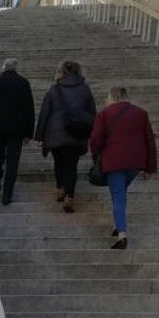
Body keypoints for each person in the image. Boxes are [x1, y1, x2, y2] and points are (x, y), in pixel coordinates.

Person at [90, 86, 158, 249]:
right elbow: (150, 141)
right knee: (119, 193)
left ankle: (121, 234)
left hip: (114, 161)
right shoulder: (141, 113)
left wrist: (97, 157)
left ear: (113, 97)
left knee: (118, 195)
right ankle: (117, 224)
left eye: (107, 97)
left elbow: (95, 140)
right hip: (136, 162)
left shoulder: (104, 114)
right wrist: (150, 167)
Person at [35, 60, 97, 213]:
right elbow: (92, 113)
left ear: (62, 72)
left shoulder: (54, 90)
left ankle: (60, 187)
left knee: (59, 162)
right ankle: (70, 195)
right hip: (77, 133)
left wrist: (40, 135)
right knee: (71, 165)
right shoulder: (85, 90)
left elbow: (45, 113)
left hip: (56, 133)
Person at [0, 58, 36, 205]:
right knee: (13, 161)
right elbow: (29, 110)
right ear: (15, 69)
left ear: (3, 68)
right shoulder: (23, 83)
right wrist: (29, 133)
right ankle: (7, 195)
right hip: (16, 130)